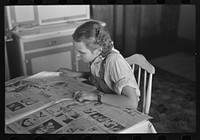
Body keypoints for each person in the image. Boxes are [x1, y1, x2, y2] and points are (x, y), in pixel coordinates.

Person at [57, 21, 140, 109]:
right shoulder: (96, 57)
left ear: (98, 50)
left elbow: (132, 102)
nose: (77, 55)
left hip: (123, 106)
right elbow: (103, 77)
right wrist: (77, 73)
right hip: (108, 102)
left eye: (81, 52)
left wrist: (95, 96)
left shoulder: (114, 62)